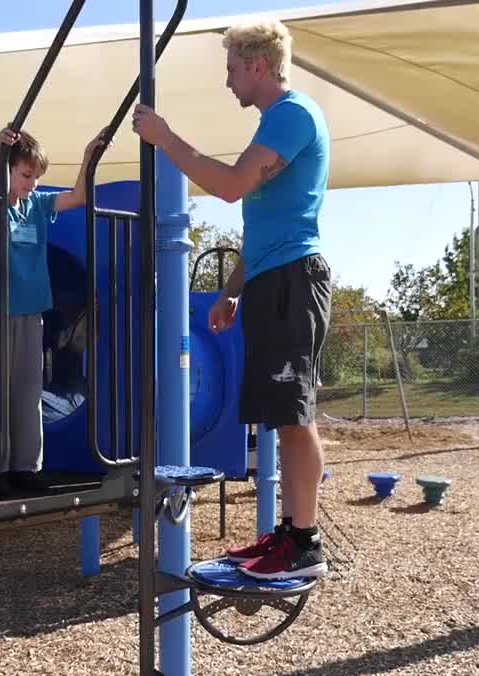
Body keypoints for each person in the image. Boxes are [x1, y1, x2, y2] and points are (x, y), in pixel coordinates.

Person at [132, 20, 331, 580]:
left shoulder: (293, 115)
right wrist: (232, 292)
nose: (228, 82)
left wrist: (164, 137)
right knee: (283, 415)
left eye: (231, 69)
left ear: (257, 65)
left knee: (296, 412)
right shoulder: (276, 122)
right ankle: (290, 533)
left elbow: (230, 185)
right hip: (273, 278)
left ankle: (305, 541)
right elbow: (265, 227)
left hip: (295, 279)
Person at [0, 125, 109, 492]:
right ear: (7, 170)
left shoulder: (36, 205)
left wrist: (88, 157)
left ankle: (26, 468)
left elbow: (80, 196)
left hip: (29, 311)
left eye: (36, 176)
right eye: (25, 174)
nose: (32, 183)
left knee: (27, 388)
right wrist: (0, 153)